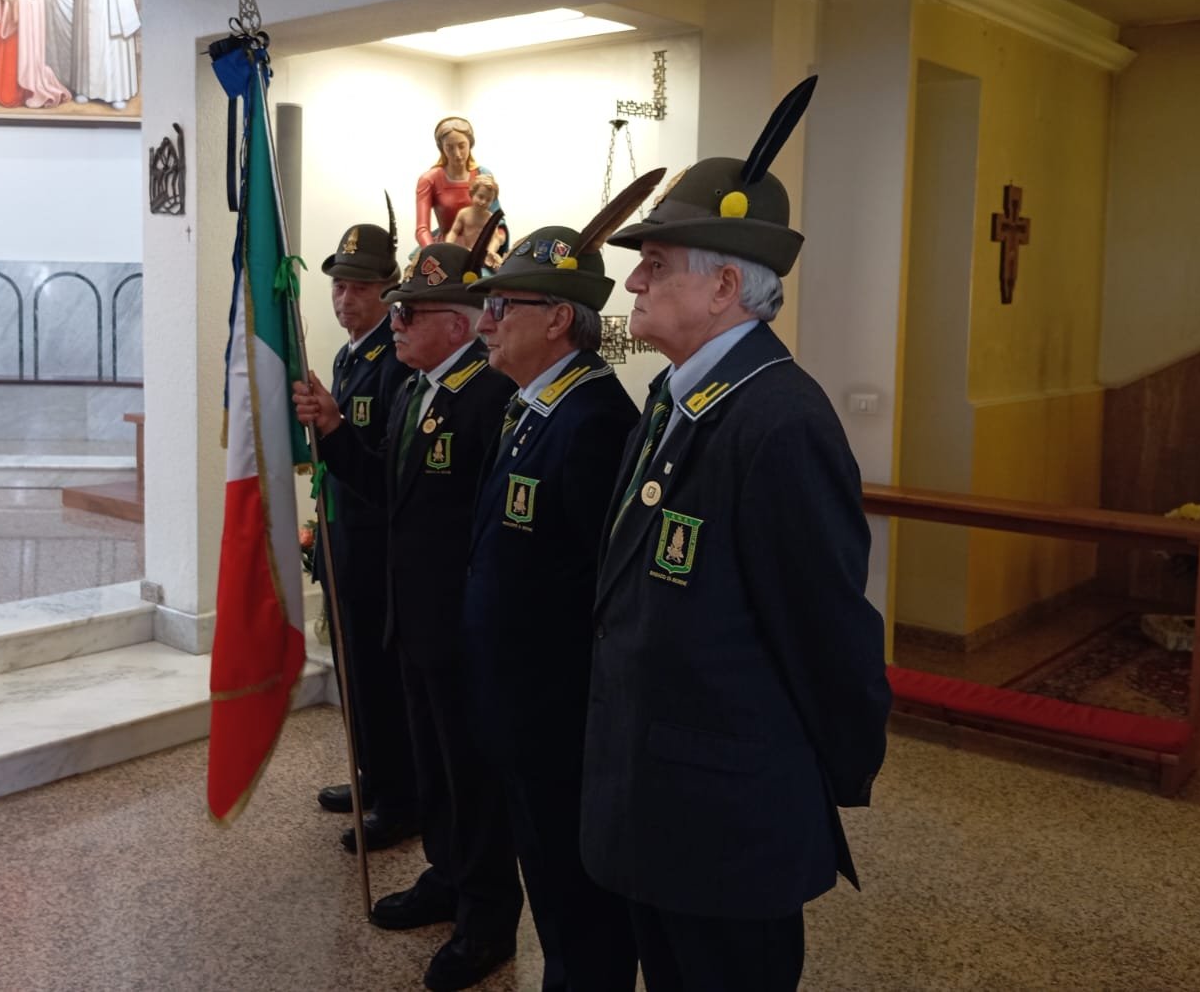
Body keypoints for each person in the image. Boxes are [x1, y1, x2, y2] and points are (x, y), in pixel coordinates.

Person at [583, 77, 892, 991]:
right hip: (657, 804)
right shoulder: (674, 399)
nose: (632, 280)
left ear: (725, 285)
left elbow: (827, 635)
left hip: (727, 819)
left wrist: (820, 779)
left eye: (656, 262)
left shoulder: (779, 422)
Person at [294, 237, 521, 992]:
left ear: (458, 325)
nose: (394, 322)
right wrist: (335, 430)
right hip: (413, 618)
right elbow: (389, 491)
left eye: (410, 312)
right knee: (436, 769)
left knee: (472, 778)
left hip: (460, 628)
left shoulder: (489, 398)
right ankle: (446, 877)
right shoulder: (418, 390)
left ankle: (486, 917)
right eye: (396, 310)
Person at [463, 199, 668, 991]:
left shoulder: (591, 422)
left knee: (579, 908)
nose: (485, 322)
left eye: (502, 307)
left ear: (556, 320)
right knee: (550, 889)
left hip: (560, 719)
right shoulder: (535, 408)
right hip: (524, 710)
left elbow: (602, 593)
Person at [309, 213, 420, 855]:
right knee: (354, 675)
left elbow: (383, 466)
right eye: (338, 285)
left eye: (359, 287)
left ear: (388, 288)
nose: (345, 298)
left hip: (378, 549)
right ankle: (371, 778)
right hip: (345, 538)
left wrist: (333, 426)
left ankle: (400, 800)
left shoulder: (396, 360)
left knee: (380, 680)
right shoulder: (349, 354)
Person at [414, 116, 498, 247]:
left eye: (462, 146)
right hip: (445, 248)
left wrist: (495, 243)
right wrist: (433, 252)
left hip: (478, 249)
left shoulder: (483, 174)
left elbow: (497, 220)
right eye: (449, 147)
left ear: (470, 144)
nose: (457, 154)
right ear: (442, 148)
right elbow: (422, 229)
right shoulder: (429, 179)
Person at [443, 175, 508, 270]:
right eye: (480, 197)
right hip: (468, 252)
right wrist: (448, 245)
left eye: (488, 200)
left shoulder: (490, 218)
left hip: (485, 255)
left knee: (498, 266)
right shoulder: (464, 213)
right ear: (472, 193)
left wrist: (491, 251)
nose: (483, 202)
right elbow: (454, 231)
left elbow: (495, 238)